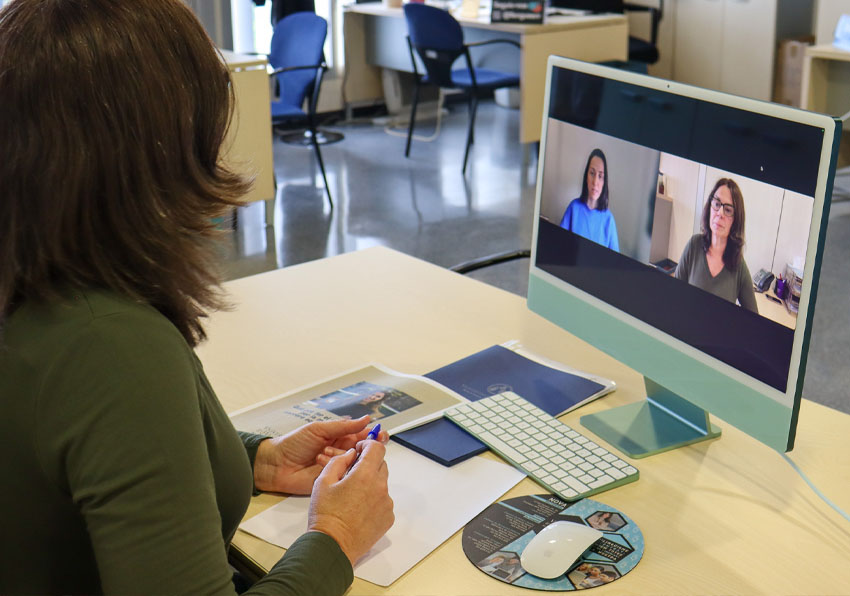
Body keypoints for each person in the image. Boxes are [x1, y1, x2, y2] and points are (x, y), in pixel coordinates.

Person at [0, 1, 393, 595]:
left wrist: (256, 460)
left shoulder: (35, 290)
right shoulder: (108, 344)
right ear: (160, 144)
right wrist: (337, 534)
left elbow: (75, 450)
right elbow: (108, 403)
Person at [674, 178, 758, 313]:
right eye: (717, 204)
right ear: (710, 205)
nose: (720, 213)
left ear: (736, 220)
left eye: (728, 210)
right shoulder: (693, 246)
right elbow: (674, 295)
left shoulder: (739, 265)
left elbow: (755, 320)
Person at [559, 148, 619, 251]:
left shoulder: (609, 220)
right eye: (592, 173)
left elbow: (615, 264)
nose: (595, 182)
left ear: (604, 182)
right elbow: (558, 244)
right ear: (586, 176)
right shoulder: (573, 208)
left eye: (600, 176)